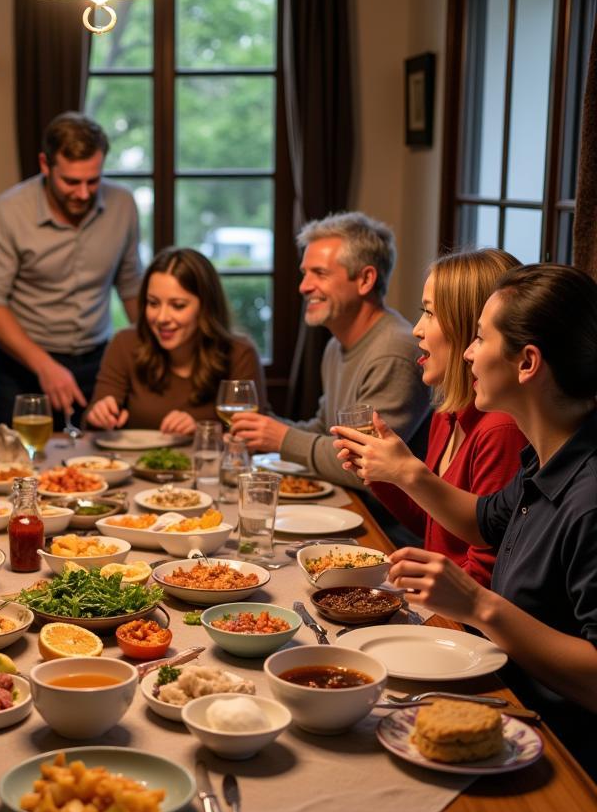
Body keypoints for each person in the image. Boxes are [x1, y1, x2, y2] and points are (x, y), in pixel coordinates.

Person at [338, 264, 597, 777]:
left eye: (479, 338)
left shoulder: (588, 497)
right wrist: (404, 472)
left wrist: (478, 604)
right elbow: (482, 521)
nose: (469, 353)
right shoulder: (545, 458)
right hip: (503, 708)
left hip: (559, 758)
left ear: (527, 362)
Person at [335, 249, 526, 587]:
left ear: (470, 327)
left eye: (430, 313)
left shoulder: (501, 429)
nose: (417, 330)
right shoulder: (449, 412)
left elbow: (484, 575)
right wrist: (384, 474)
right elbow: (431, 524)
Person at [229, 211, 431, 488]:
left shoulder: (393, 351)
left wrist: (280, 437)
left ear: (365, 280)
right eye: (305, 274)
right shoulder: (336, 345)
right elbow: (325, 432)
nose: (303, 286)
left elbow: (363, 465)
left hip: (385, 526)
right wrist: (262, 428)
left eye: (320, 274)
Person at [0, 111, 142, 426]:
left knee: (100, 464)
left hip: (98, 363)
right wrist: (44, 365)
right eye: (71, 182)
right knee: (20, 471)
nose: (84, 193)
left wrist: (148, 357)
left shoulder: (123, 205)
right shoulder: (9, 211)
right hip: (24, 365)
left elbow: (130, 285)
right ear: (45, 165)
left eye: (94, 180)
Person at [84, 246, 267, 434]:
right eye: (153, 303)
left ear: (205, 307)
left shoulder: (239, 353)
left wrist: (203, 431)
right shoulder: (124, 343)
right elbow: (91, 426)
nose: (162, 318)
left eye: (178, 306)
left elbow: (252, 439)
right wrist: (99, 416)